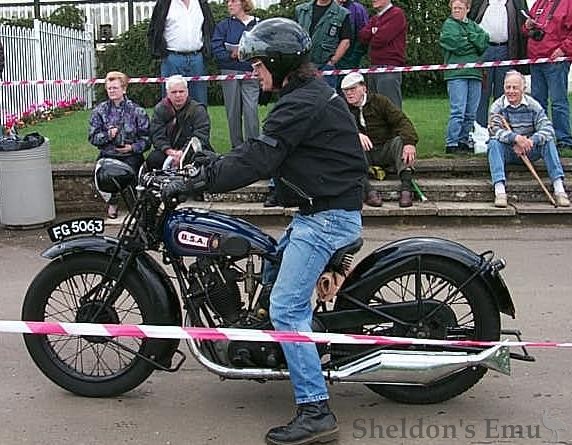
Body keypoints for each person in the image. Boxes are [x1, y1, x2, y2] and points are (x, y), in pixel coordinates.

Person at [162, 18, 366, 445]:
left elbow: (259, 158)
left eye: (257, 65)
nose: (254, 72)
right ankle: (267, 343)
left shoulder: (302, 102)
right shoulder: (302, 96)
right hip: (319, 211)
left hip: (326, 219)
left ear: (279, 61)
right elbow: (262, 148)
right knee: (270, 262)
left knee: (287, 309)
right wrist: (211, 165)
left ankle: (316, 411)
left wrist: (200, 180)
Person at [487, 70, 570, 208]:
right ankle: (500, 191)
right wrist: (515, 139)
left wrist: (530, 141)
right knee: (493, 143)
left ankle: (559, 189)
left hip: (529, 149)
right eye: (508, 87)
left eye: (515, 87)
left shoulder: (533, 105)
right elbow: (493, 130)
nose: (511, 91)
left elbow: (548, 129)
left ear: (523, 89)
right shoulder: (497, 106)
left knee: (548, 142)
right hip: (508, 150)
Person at [341, 72, 418, 208]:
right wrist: (355, 134)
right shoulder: (342, 108)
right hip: (362, 153)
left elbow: (402, 121)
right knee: (348, 146)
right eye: (346, 91)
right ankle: (369, 192)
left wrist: (409, 143)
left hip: (385, 148)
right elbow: (336, 130)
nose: (349, 93)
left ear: (364, 88)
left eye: (353, 89)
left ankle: (406, 189)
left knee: (401, 142)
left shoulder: (380, 101)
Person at [88, 71, 150, 218]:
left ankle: (136, 206)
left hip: (131, 155)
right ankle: (112, 203)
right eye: (109, 88)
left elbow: (147, 139)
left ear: (124, 89)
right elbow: (92, 137)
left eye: (115, 88)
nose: (112, 91)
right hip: (108, 155)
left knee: (134, 172)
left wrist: (132, 148)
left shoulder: (137, 111)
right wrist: (108, 135)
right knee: (102, 173)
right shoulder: (99, 111)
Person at [468, 0, 529, 128]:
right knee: (483, 91)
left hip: (506, 50)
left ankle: (500, 127)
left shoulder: (515, 2)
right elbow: (470, 20)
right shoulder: (480, 2)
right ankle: (480, 129)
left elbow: (523, 24)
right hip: (485, 49)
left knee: (503, 91)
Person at [439, 0, 489, 154]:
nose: (456, 11)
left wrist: (469, 38)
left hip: (474, 73)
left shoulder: (473, 25)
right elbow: (456, 45)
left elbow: (484, 41)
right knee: (458, 111)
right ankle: (452, 143)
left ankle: (463, 140)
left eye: (459, 8)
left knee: (471, 112)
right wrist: (474, 43)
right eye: (454, 8)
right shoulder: (449, 25)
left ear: (467, 9)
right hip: (456, 74)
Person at [523, 0, 572, 151]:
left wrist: (564, 49)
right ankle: (540, 136)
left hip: (556, 61)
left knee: (558, 101)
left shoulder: (568, 4)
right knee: (537, 102)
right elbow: (526, 30)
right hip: (536, 59)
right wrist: (527, 26)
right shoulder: (539, 3)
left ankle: (563, 139)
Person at [211, 0, 260, 148]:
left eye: (233, 1)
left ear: (243, 3)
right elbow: (216, 48)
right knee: (233, 112)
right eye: (228, 2)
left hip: (251, 72)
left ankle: (253, 147)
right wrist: (231, 55)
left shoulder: (258, 24)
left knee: (251, 110)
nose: (229, 5)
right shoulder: (223, 26)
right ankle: (237, 148)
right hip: (230, 72)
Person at [147, 0, 215, 106]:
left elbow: (210, 27)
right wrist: (159, 51)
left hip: (197, 58)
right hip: (172, 59)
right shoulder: (164, 3)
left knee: (199, 102)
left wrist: (208, 50)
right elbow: (154, 29)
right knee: (171, 102)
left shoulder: (201, 3)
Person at [147, 74, 212, 170]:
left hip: (193, 151)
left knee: (206, 162)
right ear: (168, 93)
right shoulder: (160, 109)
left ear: (187, 92)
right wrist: (169, 151)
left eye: (181, 91)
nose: (178, 95)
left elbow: (201, 136)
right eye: (174, 92)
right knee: (153, 159)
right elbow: (156, 135)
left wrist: (183, 153)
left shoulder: (198, 110)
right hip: (168, 151)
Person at [358, 0, 407, 109]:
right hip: (373, 68)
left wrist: (373, 32)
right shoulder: (375, 18)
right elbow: (362, 36)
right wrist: (374, 31)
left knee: (391, 110)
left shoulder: (397, 14)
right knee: (374, 110)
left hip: (389, 68)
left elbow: (380, 39)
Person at [295, 0, 351, 89]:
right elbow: (293, 35)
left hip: (324, 66)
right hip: (301, 66)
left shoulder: (342, 13)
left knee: (326, 96)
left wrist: (331, 62)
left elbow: (346, 41)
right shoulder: (301, 10)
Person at [336, 0, 369, 71]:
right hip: (326, 60)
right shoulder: (326, 7)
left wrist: (352, 59)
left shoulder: (357, 9)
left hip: (349, 60)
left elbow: (363, 38)